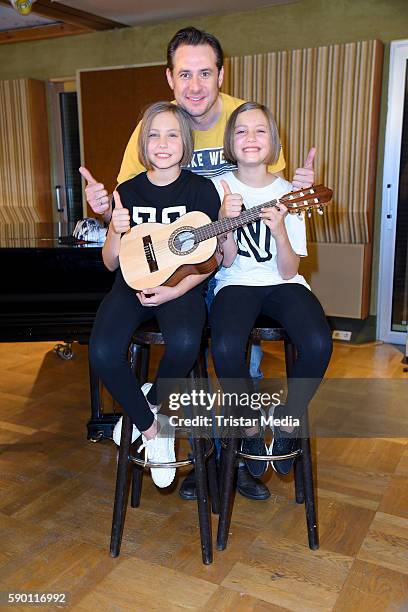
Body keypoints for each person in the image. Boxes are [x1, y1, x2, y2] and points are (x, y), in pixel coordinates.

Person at [80, 26, 315, 502]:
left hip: (229, 261)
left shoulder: (241, 117)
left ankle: (240, 457)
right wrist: (105, 210)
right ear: (170, 78)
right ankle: (194, 451)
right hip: (166, 262)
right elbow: (130, 211)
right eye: (184, 74)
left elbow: (274, 184)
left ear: (220, 74)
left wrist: (299, 184)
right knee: (191, 351)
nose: (195, 85)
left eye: (204, 73)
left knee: (232, 354)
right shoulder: (155, 126)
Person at [88, 101, 227, 488]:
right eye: (153, 134)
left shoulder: (202, 190)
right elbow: (110, 263)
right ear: (143, 143)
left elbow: (212, 258)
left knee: (185, 344)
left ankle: (148, 404)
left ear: (185, 142)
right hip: (129, 285)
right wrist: (114, 229)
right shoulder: (127, 191)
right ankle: (154, 428)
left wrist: (174, 291)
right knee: (101, 351)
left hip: (180, 288)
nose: (162, 143)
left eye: (171, 134)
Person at [210, 101, 333, 478]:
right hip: (235, 283)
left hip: (283, 282)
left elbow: (289, 268)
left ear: (274, 141)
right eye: (241, 130)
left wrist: (280, 230)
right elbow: (225, 261)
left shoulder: (292, 192)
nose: (250, 137)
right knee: (225, 347)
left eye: (260, 130)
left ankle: (287, 420)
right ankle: (248, 422)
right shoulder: (216, 188)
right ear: (230, 141)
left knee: (318, 343)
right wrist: (223, 222)